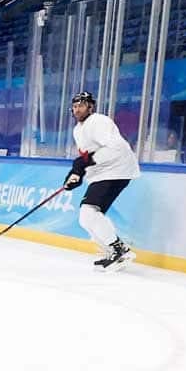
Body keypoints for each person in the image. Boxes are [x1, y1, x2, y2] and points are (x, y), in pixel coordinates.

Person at [65, 91, 140, 270]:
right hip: (102, 173)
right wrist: (77, 173)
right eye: (74, 106)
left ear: (90, 107)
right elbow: (86, 157)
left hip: (116, 170)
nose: (77, 109)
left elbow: (118, 147)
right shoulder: (78, 129)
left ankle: (119, 250)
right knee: (86, 218)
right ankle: (113, 251)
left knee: (88, 212)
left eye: (81, 105)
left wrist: (88, 161)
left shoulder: (99, 121)